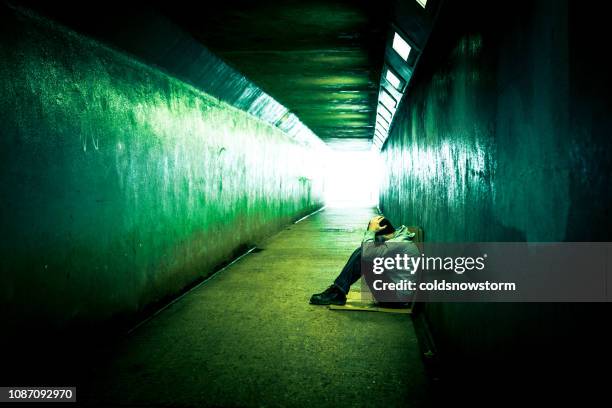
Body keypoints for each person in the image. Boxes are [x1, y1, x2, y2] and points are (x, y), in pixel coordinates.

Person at [310, 215, 419, 306]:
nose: (375, 242)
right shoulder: (398, 237)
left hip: (396, 299)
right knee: (363, 252)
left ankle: (337, 293)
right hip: (395, 293)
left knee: (364, 254)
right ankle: (337, 291)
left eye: (376, 239)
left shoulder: (397, 243)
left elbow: (366, 253)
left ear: (383, 235)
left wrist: (371, 231)